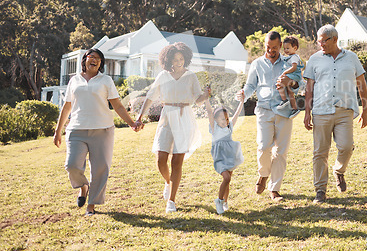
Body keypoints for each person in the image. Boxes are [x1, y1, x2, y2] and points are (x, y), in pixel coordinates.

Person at [53, 48, 143, 216]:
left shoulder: (106, 80)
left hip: (102, 130)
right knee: (72, 165)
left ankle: (91, 206)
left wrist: (132, 123)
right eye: (91, 56)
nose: (94, 60)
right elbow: (67, 107)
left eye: (98, 59)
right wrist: (58, 131)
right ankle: (84, 187)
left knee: (100, 168)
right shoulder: (75, 80)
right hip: (76, 129)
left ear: (100, 64)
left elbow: (117, 105)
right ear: (85, 60)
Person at [136, 42, 210, 213]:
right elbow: (149, 97)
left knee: (177, 161)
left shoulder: (191, 76)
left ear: (186, 58)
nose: (179, 62)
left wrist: (205, 95)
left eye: (181, 59)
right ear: (168, 60)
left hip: (185, 117)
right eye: (175, 59)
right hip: (167, 116)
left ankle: (172, 200)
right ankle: (168, 182)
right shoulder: (163, 76)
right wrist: (139, 117)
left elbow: (198, 99)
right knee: (160, 159)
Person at [303, 24, 367, 203]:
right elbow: (309, 88)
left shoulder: (351, 58)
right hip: (321, 110)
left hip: (344, 110)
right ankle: (320, 190)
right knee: (320, 152)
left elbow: (361, 84)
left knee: (346, 147)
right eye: (319, 41)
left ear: (334, 39)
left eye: (324, 41)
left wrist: (366, 110)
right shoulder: (314, 59)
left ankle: (339, 171)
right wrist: (307, 112)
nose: (321, 44)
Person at [237, 31, 301, 202]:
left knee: (281, 152)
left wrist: (291, 83)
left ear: (280, 46)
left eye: (274, 47)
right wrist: (244, 93)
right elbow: (251, 85)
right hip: (264, 110)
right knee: (264, 147)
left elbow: (298, 84)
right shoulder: (257, 64)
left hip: (284, 111)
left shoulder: (289, 62)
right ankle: (263, 174)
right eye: (268, 47)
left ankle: (275, 189)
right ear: (264, 45)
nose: (271, 50)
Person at [205, 96, 245, 214]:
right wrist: (206, 99)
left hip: (230, 156)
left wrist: (241, 102)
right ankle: (219, 200)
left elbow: (237, 114)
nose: (226, 121)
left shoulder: (229, 127)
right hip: (220, 158)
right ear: (216, 120)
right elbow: (209, 113)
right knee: (226, 178)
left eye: (227, 119)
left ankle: (225, 201)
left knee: (228, 180)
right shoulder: (214, 128)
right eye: (223, 119)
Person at [277, 36, 304, 118]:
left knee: (279, 84)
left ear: (295, 48)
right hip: (292, 75)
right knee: (290, 93)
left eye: (288, 48)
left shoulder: (294, 57)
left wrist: (285, 72)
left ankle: (284, 100)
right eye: (284, 48)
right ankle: (294, 109)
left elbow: (294, 67)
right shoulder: (289, 57)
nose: (285, 50)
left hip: (293, 75)